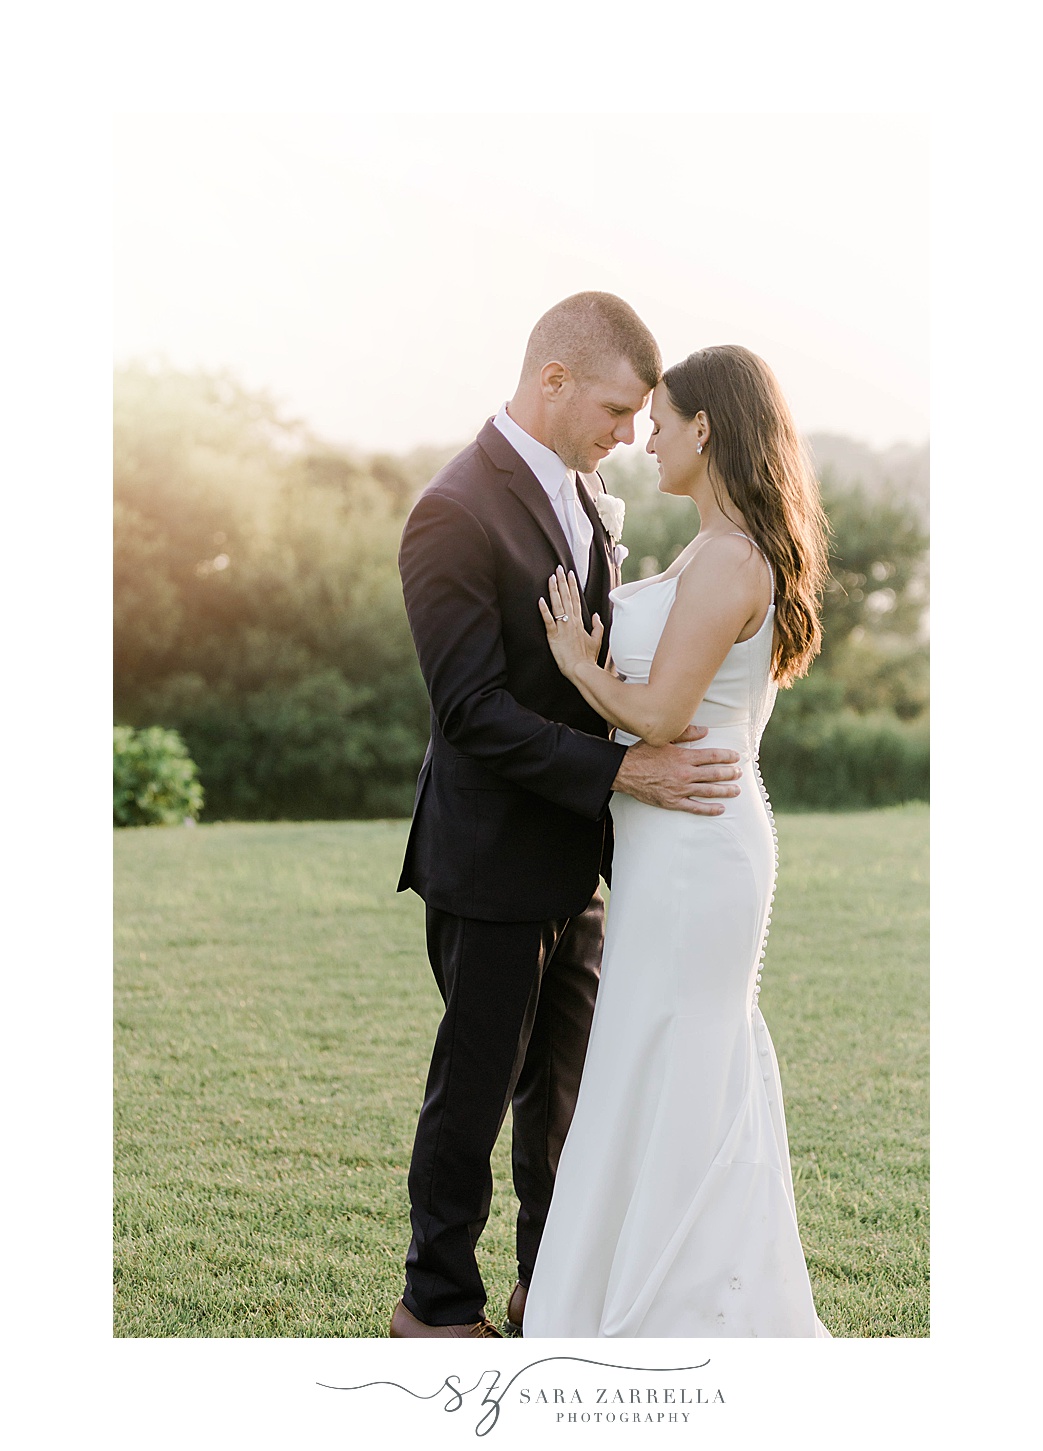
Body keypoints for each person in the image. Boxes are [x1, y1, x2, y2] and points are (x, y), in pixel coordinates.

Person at [389, 294, 744, 1338]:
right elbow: (469, 710)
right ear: (551, 380)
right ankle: (435, 1304)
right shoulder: (452, 509)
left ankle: (551, 1288)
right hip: (489, 856)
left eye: (641, 416)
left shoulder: (585, 493)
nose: (630, 434)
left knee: (564, 1094)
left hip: (577, 860)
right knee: (473, 1090)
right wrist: (622, 770)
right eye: (616, 407)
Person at [524, 344, 833, 1337]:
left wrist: (577, 663)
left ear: (706, 428)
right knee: (643, 1052)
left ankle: (689, 1301)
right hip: (666, 849)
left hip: (700, 850)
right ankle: (624, 1284)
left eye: (660, 420)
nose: (646, 437)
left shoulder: (735, 556)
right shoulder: (709, 547)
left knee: (684, 1053)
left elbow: (659, 716)